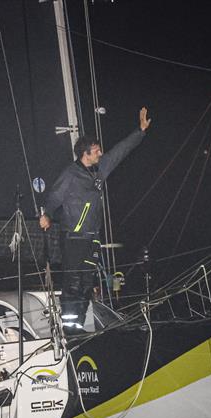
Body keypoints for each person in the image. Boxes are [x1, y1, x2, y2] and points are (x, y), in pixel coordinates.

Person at [40, 107, 151, 332]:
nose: (100, 152)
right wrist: (47, 215)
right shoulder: (71, 174)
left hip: (92, 237)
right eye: (96, 150)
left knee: (86, 283)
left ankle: (78, 326)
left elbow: (121, 151)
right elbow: (54, 196)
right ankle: (68, 329)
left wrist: (140, 131)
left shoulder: (100, 170)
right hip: (73, 237)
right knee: (73, 283)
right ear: (85, 154)